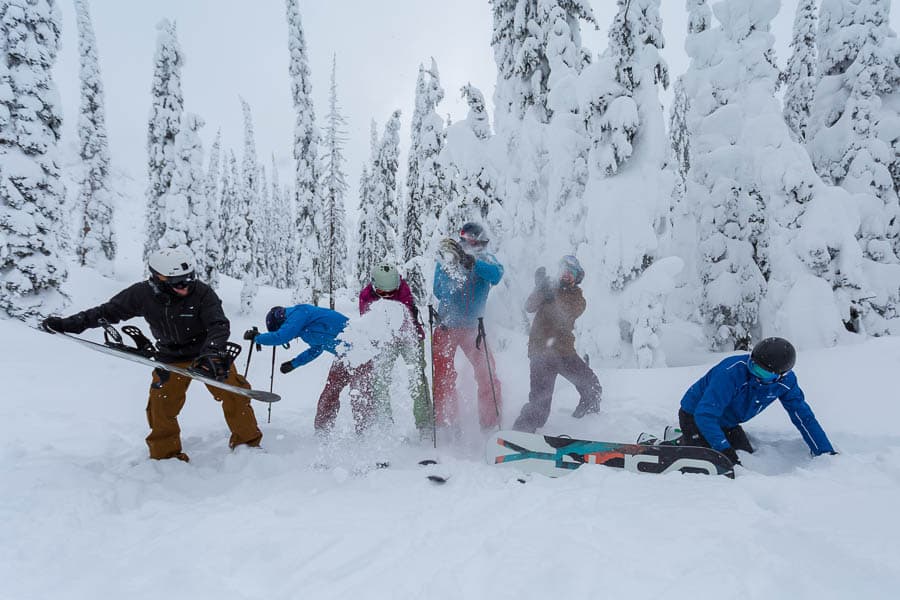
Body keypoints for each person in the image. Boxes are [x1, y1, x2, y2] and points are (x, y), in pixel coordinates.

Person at [41, 247, 262, 462]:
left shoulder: (202, 293)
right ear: (159, 280)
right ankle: (166, 456)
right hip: (170, 358)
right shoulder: (142, 294)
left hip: (205, 356)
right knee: (160, 407)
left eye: (189, 279)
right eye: (178, 283)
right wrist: (67, 325)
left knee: (236, 393)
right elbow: (105, 312)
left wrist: (212, 353)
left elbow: (219, 324)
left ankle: (248, 444)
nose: (186, 287)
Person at [677, 337, 837, 465]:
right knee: (716, 463)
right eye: (753, 366)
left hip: (727, 422)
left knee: (745, 455)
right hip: (695, 415)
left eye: (763, 372)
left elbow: (803, 417)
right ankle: (684, 441)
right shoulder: (731, 373)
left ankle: (690, 438)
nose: (756, 374)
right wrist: (724, 450)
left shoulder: (786, 383)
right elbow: (705, 415)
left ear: (780, 375)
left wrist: (824, 451)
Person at [247, 305, 374, 434]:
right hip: (344, 356)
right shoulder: (304, 330)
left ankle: (366, 433)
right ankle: (322, 432)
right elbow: (316, 349)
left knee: (360, 393)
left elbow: (281, 337)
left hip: (361, 351)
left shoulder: (299, 312)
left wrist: (258, 338)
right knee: (330, 393)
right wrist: (294, 363)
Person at [513, 256, 602, 433]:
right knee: (540, 403)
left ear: (577, 277)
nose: (567, 275)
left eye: (572, 273)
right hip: (541, 353)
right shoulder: (548, 288)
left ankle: (587, 421)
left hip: (564, 352)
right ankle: (520, 432)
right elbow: (529, 306)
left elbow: (564, 315)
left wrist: (550, 295)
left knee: (592, 386)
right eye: (564, 270)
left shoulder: (578, 298)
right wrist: (540, 289)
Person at [432, 222, 504, 431]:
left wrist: (473, 264)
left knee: (487, 374)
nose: (470, 244)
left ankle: (490, 423)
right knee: (443, 376)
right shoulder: (448, 259)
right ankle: (447, 422)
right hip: (447, 325)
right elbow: (438, 290)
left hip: (474, 328)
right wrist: (456, 270)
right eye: (467, 240)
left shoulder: (486, 259)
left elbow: (497, 275)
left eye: (475, 240)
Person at [359, 263, 432, 436]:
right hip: (385, 340)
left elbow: (407, 320)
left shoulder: (403, 289)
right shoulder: (366, 296)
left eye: (392, 292)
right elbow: (368, 324)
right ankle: (385, 425)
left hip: (410, 337)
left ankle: (425, 424)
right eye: (384, 293)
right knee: (380, 380)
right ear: (374, 285)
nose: (389, 296)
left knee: (417, 379)